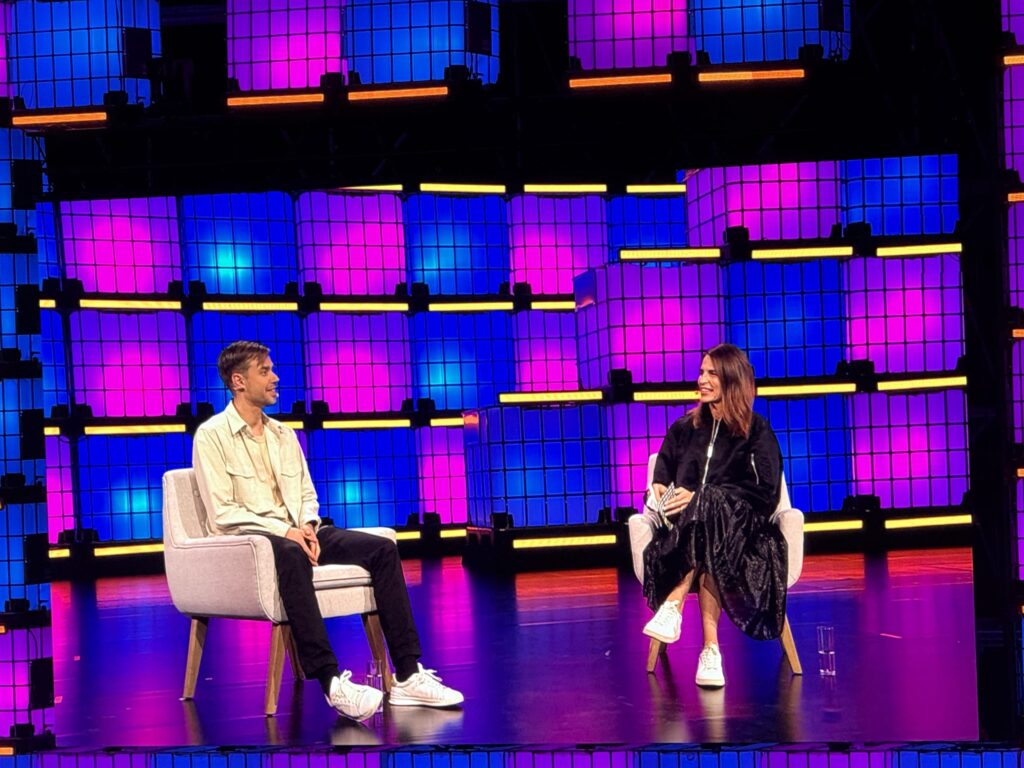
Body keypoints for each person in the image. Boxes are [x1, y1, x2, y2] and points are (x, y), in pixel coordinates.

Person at [192, 340, 464, 720]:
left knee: (382, 548)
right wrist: (286, 532)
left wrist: (306, 525)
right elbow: (224, 513)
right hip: (250, 542)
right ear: (238, 381)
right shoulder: (211, 436)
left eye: (272, 369)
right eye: (265, 371)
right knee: (290, 553)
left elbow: (307, 493)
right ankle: (331, 682)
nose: (275, 377)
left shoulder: (283, 435)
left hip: (297, 532)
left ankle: (407, 674)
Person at [641, 343, 787, 689]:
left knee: (710, 504)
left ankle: (673, 605)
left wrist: (705, 498)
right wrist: (658, 488)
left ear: (731, 379)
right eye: (701, 372)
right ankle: (710, 649)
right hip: (687, 536)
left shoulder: (756, 431)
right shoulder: (683, 428)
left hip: (743, 538)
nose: (702, 380)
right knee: (707, 531)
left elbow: (766, 493)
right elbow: (661, 472)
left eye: (711, 374)